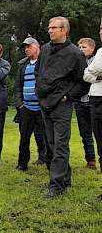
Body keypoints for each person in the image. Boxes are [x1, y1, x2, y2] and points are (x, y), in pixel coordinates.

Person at [35, 16, 89, 198]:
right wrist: (38, 90)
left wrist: (68, 97)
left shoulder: (75, 54)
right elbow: (38, 72)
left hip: (62, 105)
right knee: (51, 143)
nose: (49, 30)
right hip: (44, 103)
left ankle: (56, 185)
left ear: (64, 30)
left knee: (60, 145)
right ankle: (65, 178)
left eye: (53, 28)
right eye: (49, 27)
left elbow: (83, 82)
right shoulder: (44, 49)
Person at [14, 37, 46, 171]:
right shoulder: (22, 65)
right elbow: (17, 87)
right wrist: (20, 105)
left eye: (29, 46)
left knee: (43, 136)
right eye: (24, 47)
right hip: (26, 107)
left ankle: (45, 159)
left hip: (41, 108)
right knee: (24, 138)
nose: (26, 49)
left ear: (37, 46)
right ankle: (22, 164)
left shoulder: (45, 62)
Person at [84, 20, 102, 175]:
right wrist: (98, 77)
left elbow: (96, 68)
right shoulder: (101, 52)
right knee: (99, 141)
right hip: (94, 98)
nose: (101, 32)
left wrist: (94, 71)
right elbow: (86, 74)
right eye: (101, 28)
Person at [75, 38, 96, 169]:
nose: (81, 50)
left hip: (94, 101)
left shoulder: (96, 62)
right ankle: (90, 160)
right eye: (80, 47)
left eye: (84, 47)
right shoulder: (76, 62)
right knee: (85, 133)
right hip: (79, 102)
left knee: (98, 131)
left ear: (92, 49)